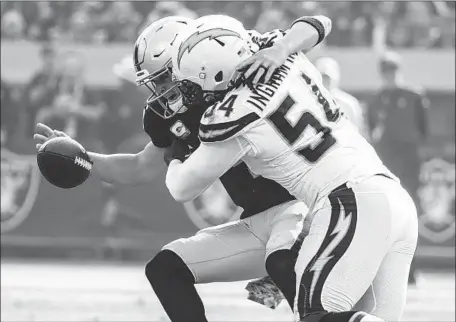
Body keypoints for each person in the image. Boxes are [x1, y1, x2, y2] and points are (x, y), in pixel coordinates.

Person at [33, 14, 336, 322]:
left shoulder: (243, 76)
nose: (160, 92)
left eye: (164, 78)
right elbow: (139, 167)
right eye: (155, 83)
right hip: (257, 220)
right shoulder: (169, 115)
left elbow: (316, 25)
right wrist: (82, 156)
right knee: (164, 269)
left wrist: (281, 48)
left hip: (302, 204)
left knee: (284, 265)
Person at [165, 15, 418, 322]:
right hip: (393, 197)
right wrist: (282, 48)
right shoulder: (283, 54)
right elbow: (319, 22)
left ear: (218, 72)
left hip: (350, 202)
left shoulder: (236, 116)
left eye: (192, 86)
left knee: (314, 315)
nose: (191, 95)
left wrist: (174, 154)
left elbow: (181, 188)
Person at [368, 51, 429, 285]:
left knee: (411, 218)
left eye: (393, 70)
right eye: (386, 71)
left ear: (399, 71)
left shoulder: (414, 96)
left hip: (409, 166)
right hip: (386, 168)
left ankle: (411, 271)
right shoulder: (376, 100)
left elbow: (424, 131)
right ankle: (383, 272)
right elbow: (374, 132)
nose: (390, 75)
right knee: (384, 219)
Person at [314, 57, 368, 138]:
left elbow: (359, 132)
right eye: (323, 77)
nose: (325, 81)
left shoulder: (349, 104)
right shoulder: (309, 102)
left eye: (328, 78)